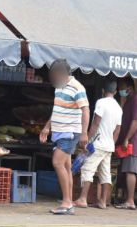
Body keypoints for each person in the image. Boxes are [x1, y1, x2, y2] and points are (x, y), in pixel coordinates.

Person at [39, 59, 90, 215]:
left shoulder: (77, 87)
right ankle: (68, 203)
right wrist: (47, 127)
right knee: (66, 167)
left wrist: (84, 133)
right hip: (59, 132)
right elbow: (57, 109)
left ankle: (67, 202)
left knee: (57, 162)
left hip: (70, 132)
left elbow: (86, 110)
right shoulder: (59, 87)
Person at [74, 80, 122, 209]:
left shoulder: (101, 103)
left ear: (102, 91)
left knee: (87, 169)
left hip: (97, 144)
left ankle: (83, 199)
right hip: (108, 146)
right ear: (116, 92)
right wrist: (112, 143)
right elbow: (117, 130)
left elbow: (95, 123)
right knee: (105, 174)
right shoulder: (118, 108)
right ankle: (102, 201)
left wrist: (87, 140)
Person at [115, 76, 137, 210]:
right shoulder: (129, 101)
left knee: (130, 171)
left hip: (133, 143)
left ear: (129, 88)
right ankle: (124, 198)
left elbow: (136, 122)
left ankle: (130, 201)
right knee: (125, 170)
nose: (120, 90)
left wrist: (127, 138)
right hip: (126, 142)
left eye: (122, 88)